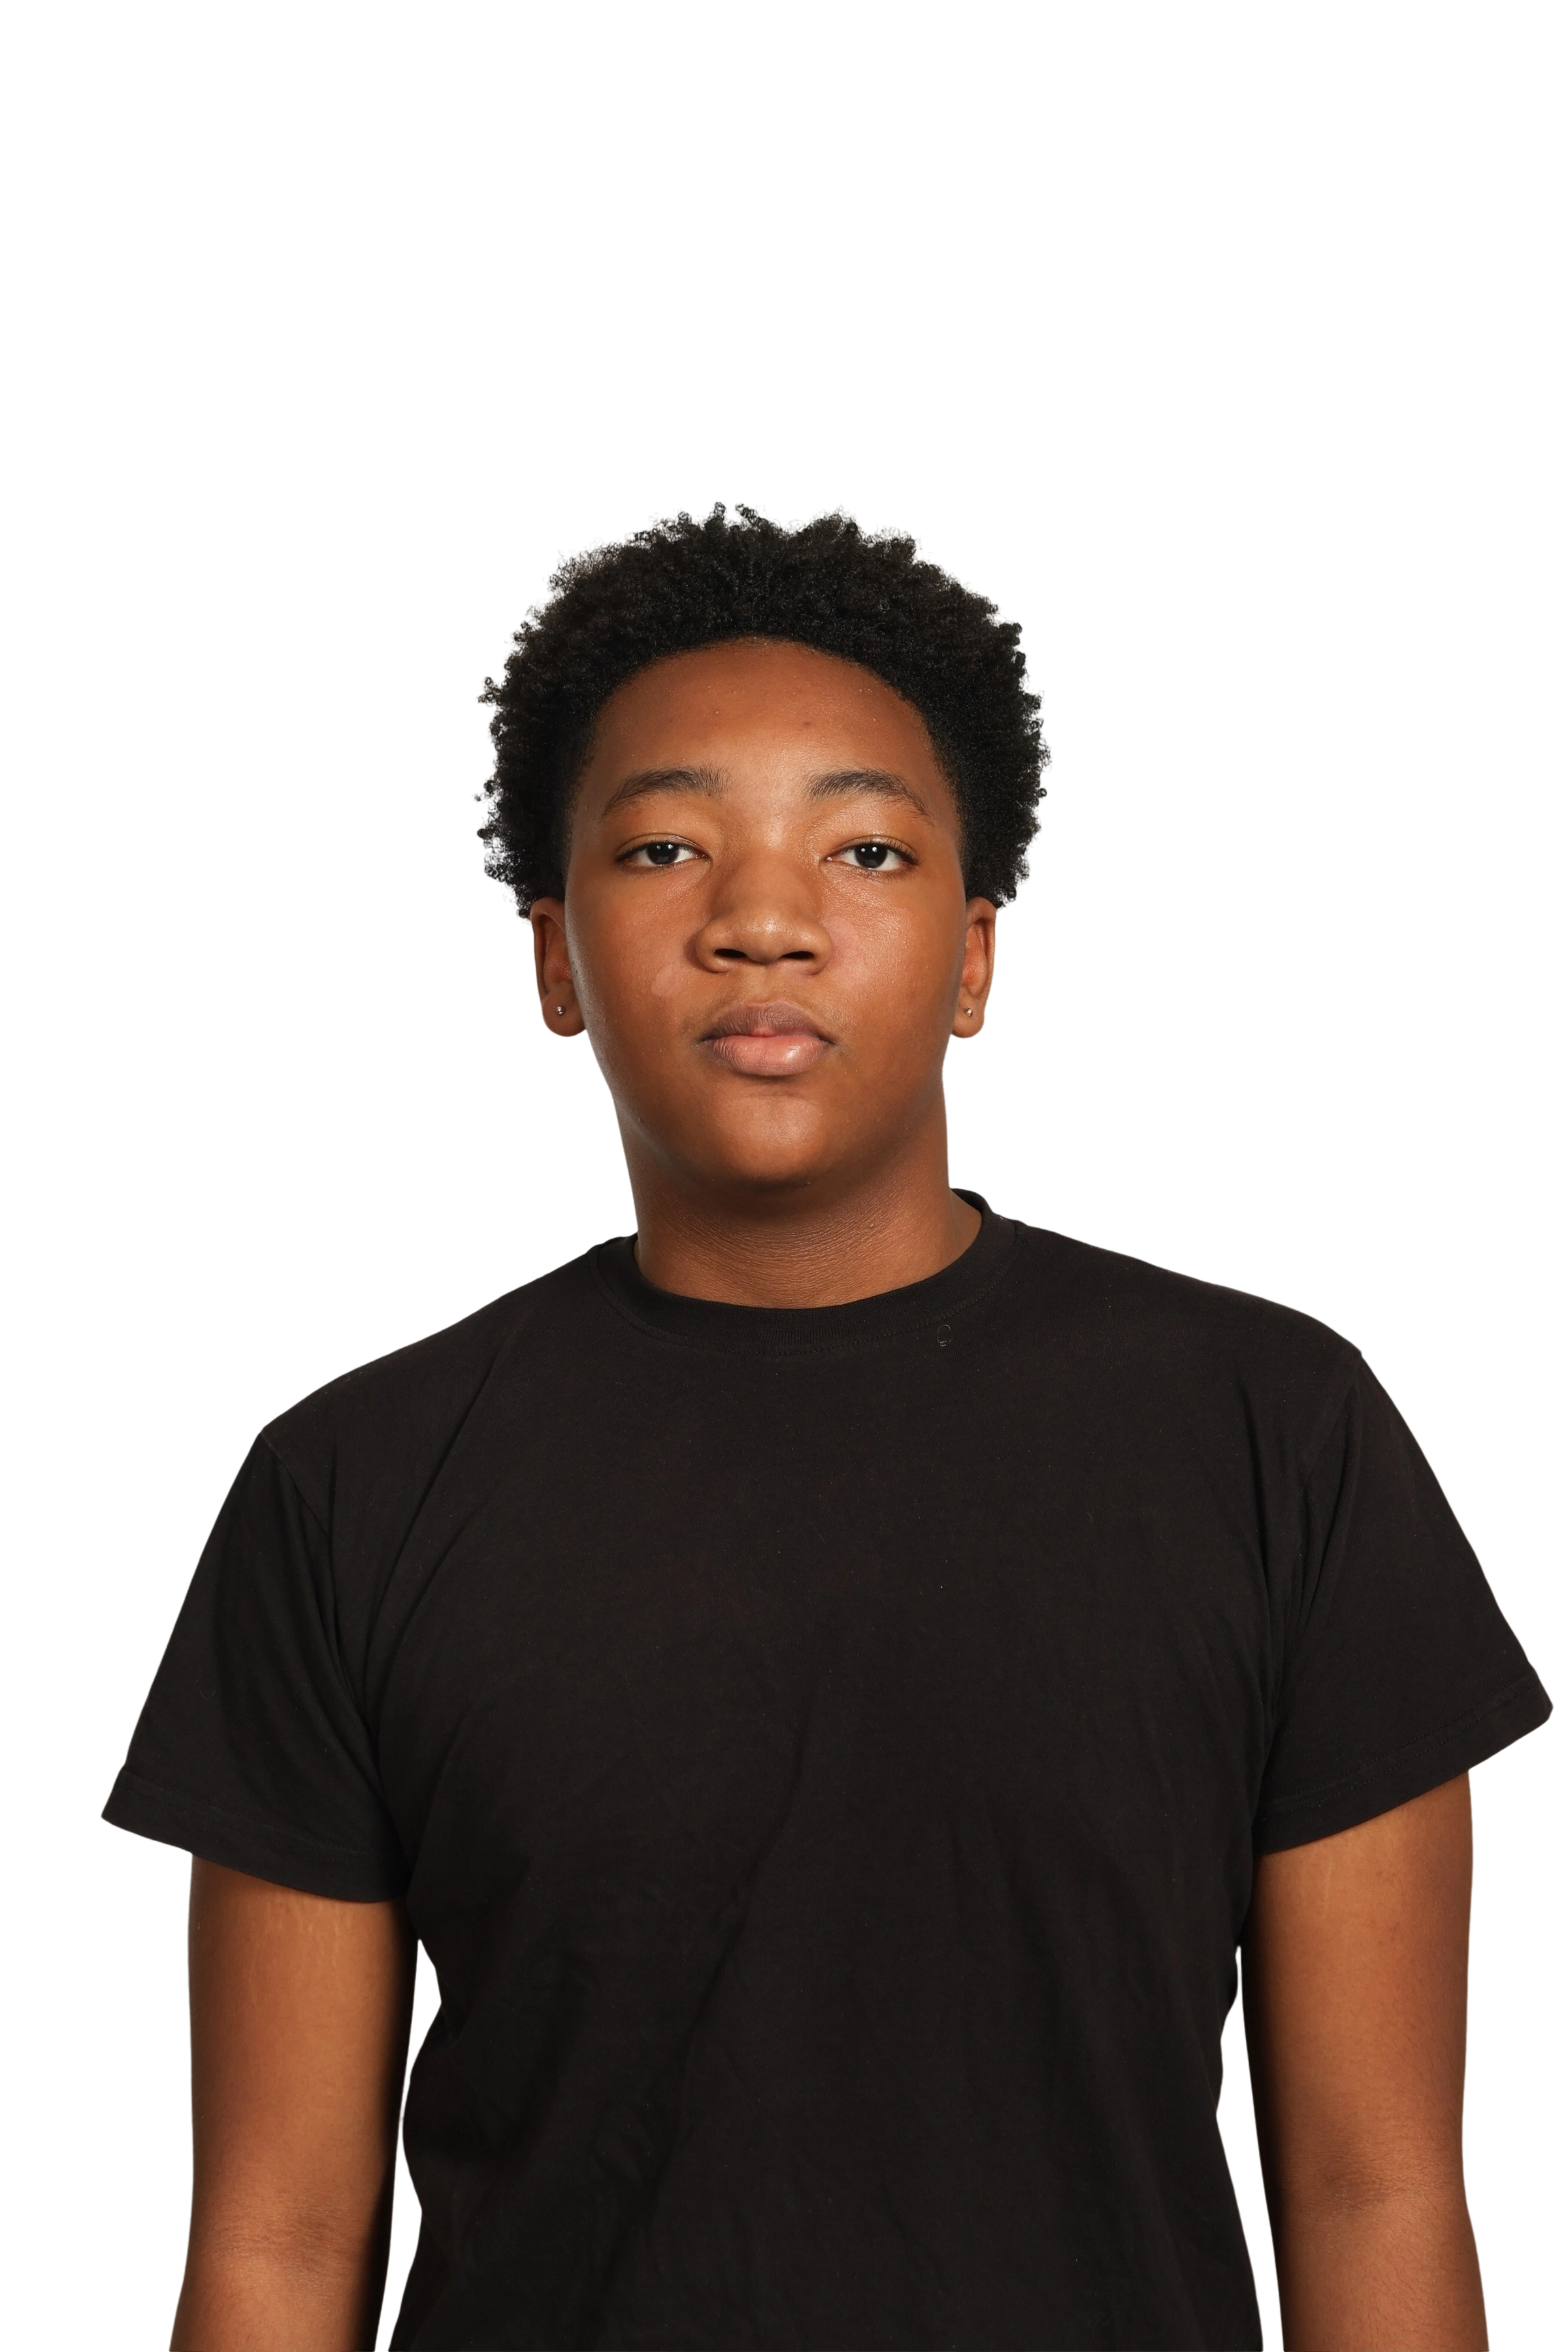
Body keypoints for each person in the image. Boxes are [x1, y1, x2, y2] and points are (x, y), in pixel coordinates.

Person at [103, 499, 1550, 2352]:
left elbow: (1374, 2189)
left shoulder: (1276, 1434)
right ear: (554, 960)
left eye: (863, 848)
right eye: (665, 848)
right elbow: (278, 2241)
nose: (763, 922)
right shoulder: (352, 1488)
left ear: (976, 951)